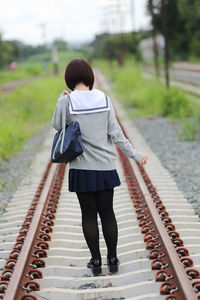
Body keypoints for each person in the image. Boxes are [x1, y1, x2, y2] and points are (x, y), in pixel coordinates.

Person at [51, 58, 148, 276]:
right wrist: (135, 154)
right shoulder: (104, 98)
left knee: (88, 216)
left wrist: (61, 99)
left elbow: (57, 126)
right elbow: (116, 133)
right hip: (105, 168)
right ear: (89, 76)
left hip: (81, 169)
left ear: (69, 78)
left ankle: (95, 262)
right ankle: (112, 258)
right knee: (107, 213)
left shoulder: (67, 101)